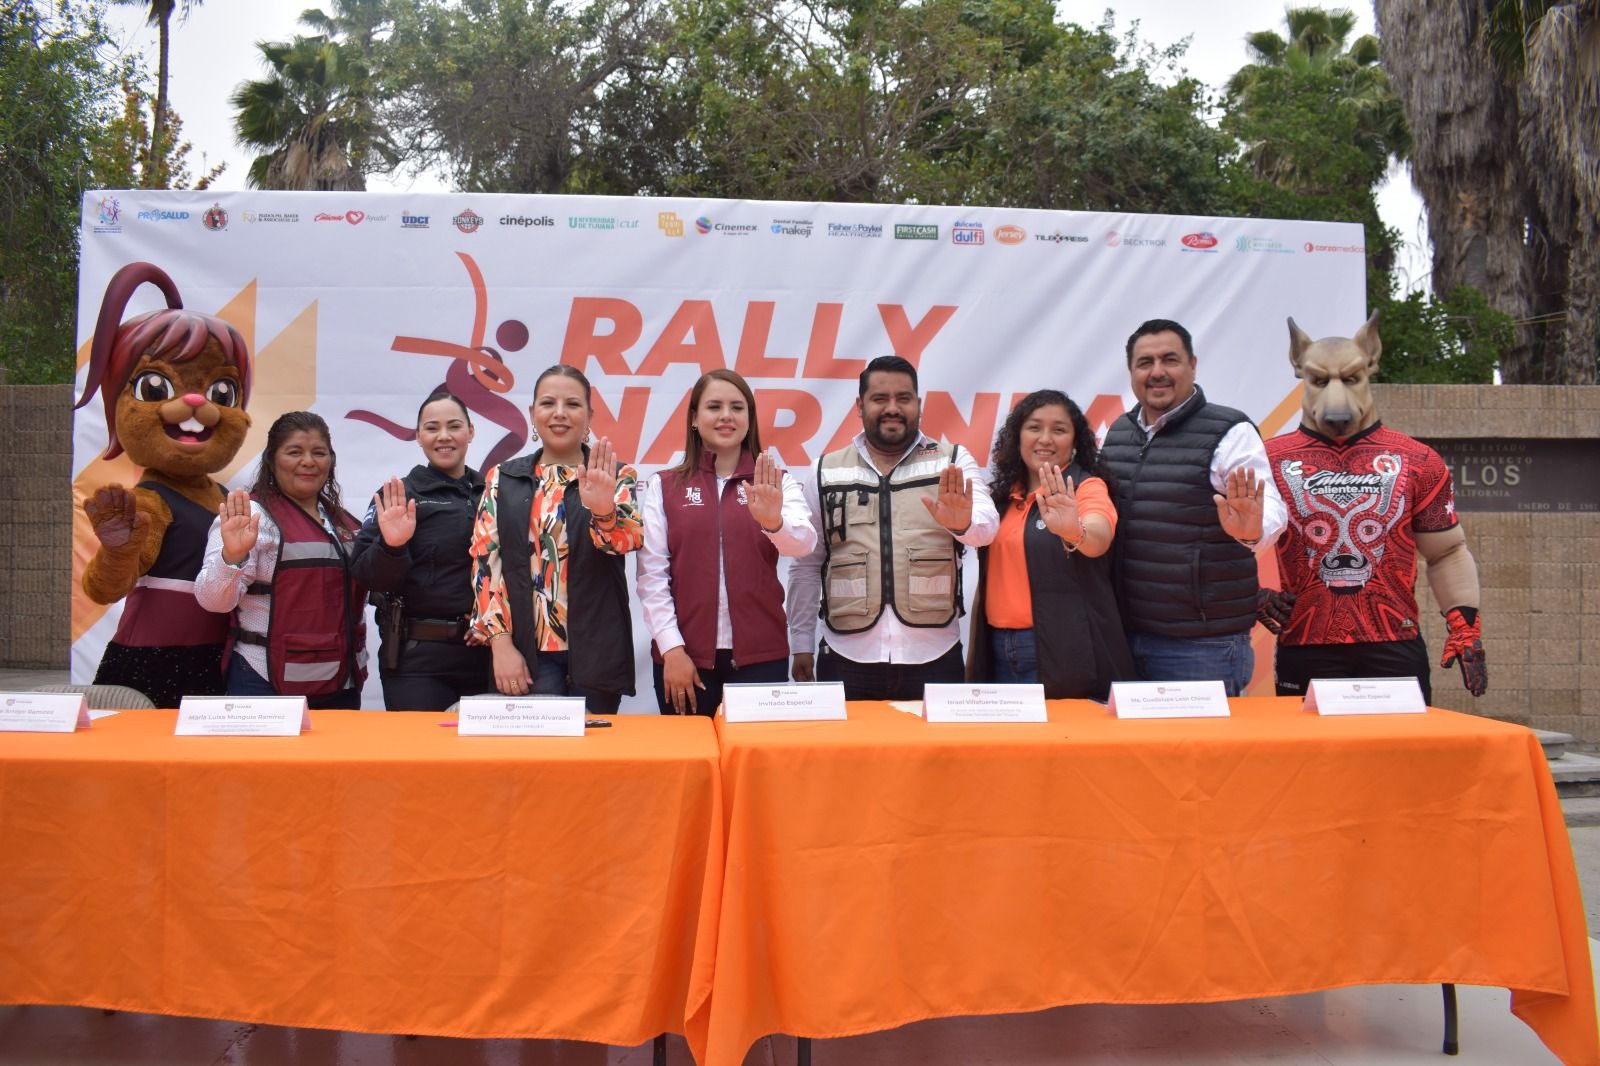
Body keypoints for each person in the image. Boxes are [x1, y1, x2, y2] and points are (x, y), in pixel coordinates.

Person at [1258, 314, 1487, 703]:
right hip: (1306, 642)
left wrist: (1464, 626)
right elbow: (1228, 541)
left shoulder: (1418, 460)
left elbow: (1446, 551)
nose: (1335, 395)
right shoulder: (1267, 460)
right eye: (1318, 379)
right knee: (1313, 763)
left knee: (1401, 762)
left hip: (1394, 643)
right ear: (1299, 367)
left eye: (1350, 378)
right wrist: (1251, 593)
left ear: (1370, 363)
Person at [788, 355, 998, 700]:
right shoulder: (824, 470)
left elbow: (987, 528)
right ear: (860, 406)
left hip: (935, 658)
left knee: (936, 757)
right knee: (848, 756)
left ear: (919, 404)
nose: (892, 408)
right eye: (880, 399)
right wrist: (800, 643)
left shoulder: (953, 461)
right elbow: (806, 564)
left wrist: (963, 525)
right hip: (845, 657)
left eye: (903, 398)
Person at [1100, 319, 1287, 696]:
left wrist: (1249, 528)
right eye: (1145, 362)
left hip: (1202, 648)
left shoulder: (1230, 431)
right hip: (1123, 637)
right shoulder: (1116, 433)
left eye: (1170, 360)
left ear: (1192, 365)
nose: (1157, 372)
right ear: (1131, 371)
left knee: (1202, 756)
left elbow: (1271, 513)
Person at [637, 370, 817, 715]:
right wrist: (672, 650)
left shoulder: (776, 482)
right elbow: (652, 578)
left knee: (756, 768)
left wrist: (773, 522)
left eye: (737, 407)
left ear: (749, 419)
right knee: (691, 765)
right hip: (684, 661)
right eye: (714, 406)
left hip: (761, 659)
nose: (725, 416)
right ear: (694, 418)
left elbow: (803, 544)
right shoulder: (665, 486)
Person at [468, 365, 642, 713]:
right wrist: (499, 643)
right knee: (537, 766)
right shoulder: (503, 478)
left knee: (593, 764)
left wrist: (604, 510)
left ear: (589, 415)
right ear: (533, 414)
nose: (560, 413)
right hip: (525, 658)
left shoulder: (615, 475)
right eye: (548, 403)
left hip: (596, 653)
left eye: (573, 404)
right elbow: (486, 562)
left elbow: (626, 542)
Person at [194, 411, 367, 708]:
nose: (308, 461)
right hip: (265, 682)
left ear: (331, 461)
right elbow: (212, 601)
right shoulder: (251, 518)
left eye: (319, 452)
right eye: (294, 452)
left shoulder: (346, 525)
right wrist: (232, 556)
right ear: (272, 460)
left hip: (342, 683)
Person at [968, 390, 1134, 699]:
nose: (1045, 438)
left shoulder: (1086, 487)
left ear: (1075, 442)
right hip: (998, 648)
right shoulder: (1003, 498)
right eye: (1034, 427)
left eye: (1059, 430)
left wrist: (1075, 531)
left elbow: (1099, 536)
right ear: (1017, 437)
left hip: (1059, 650)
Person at [350, 390, 491, 711]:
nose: (444, 436)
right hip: (418, 662)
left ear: (471, 432)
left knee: (487, 761)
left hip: (489, 658)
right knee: (423, 760)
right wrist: (392, 544)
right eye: (431, 428)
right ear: (418, 436)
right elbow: (365, 574)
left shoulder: (493, 493)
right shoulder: (400, 496)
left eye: (454, 426)